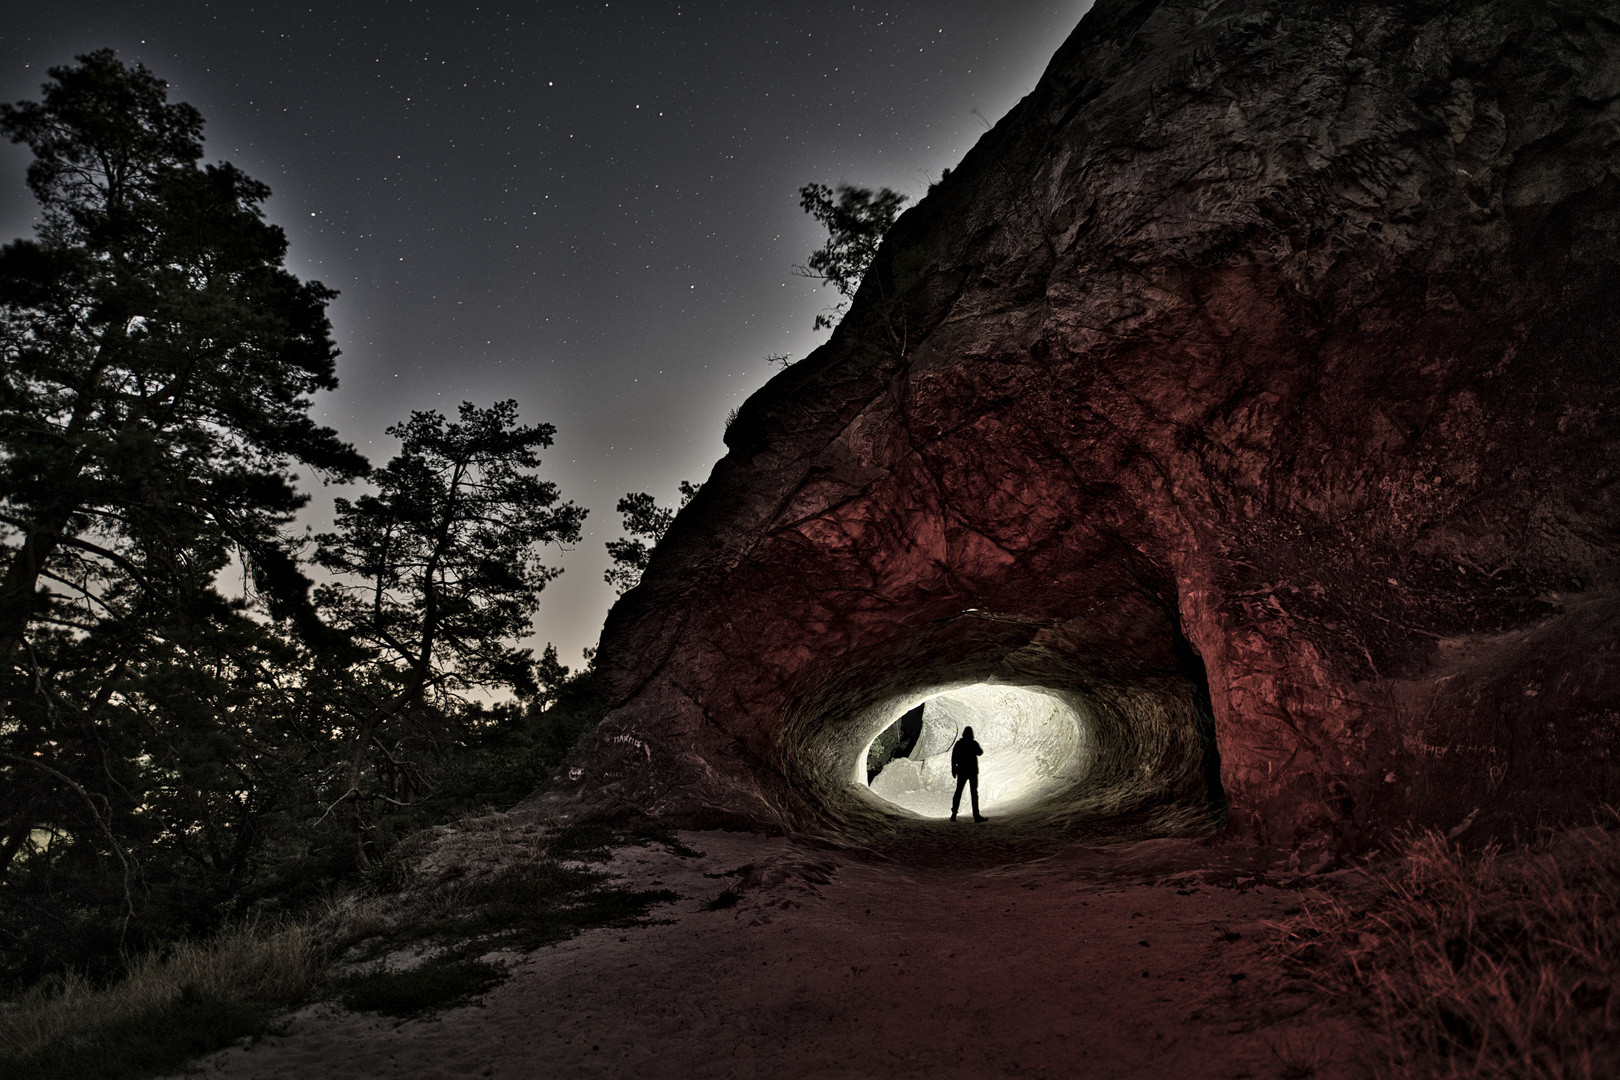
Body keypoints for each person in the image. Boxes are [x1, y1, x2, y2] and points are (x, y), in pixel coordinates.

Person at [950, 726, 987, 823]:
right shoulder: (973, 743)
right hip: (972, 771)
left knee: (958, 792)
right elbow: (980, 752)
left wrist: (953, 770)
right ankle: (976, 816)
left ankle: (954, 814)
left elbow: (954, 757)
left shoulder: (959, 744)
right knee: (974, 793)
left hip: (962, 770)